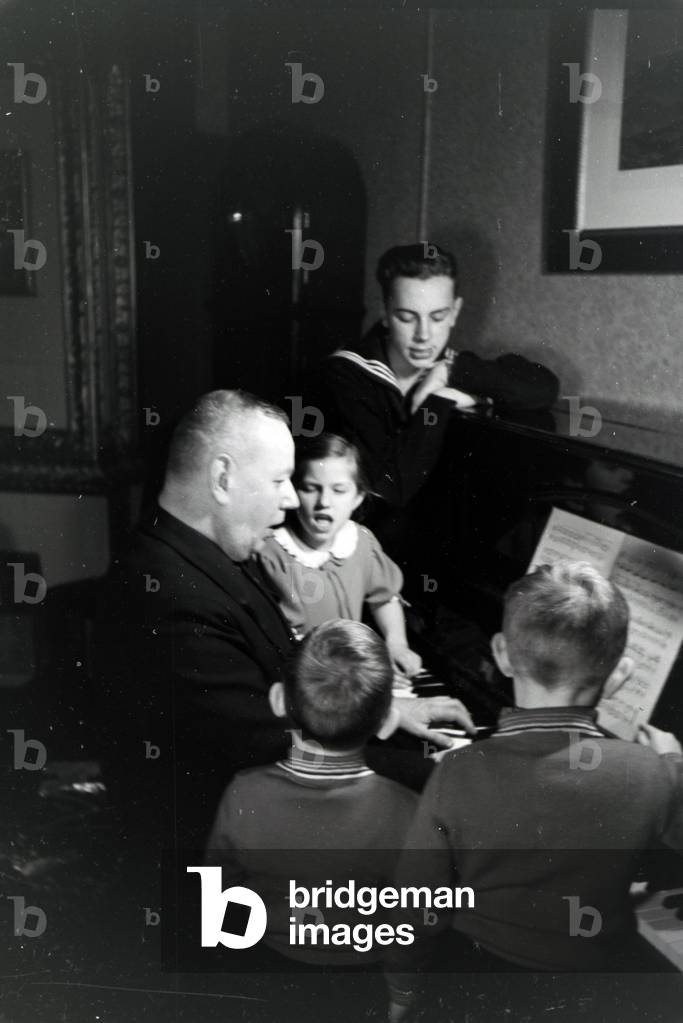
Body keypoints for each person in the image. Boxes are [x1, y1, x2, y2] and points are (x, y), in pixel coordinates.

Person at [97, 390, 474, 849]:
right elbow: (270, 752)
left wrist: (383, 713)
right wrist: (435, 774)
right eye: (279, 480)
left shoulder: (208, 552)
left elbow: (283, 679)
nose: (293, 500)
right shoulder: (167, 594)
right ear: (222, 478)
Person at [384, 562, 683, 1018]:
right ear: (620, 674)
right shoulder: (653, 774)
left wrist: (403, 993)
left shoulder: (459, 769)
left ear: (502, 653)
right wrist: (674, 762)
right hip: (588, 987)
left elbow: (415, 904)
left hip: (471, 978)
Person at [310, 243, 559, 560]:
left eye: (438, 317)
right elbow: (390, 488)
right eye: (406, 317)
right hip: (355, 559)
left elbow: (544, 388)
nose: (424, 335)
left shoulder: (449, 366)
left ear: (454, 312)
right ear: (385, 312)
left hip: (429, 557)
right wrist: (439, 400)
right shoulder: (345, 376)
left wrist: (450, 370)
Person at [206, 619, 419, 967]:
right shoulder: (405, 809)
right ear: (387, 723)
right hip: (364, 971)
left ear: (278, 700)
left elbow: (222, 891)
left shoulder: (243, 793)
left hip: (267, 962)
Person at [258, 432, 421, 678]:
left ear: (358, 498)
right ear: (293, 492)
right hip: (301, 678)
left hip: (350, 673)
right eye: (311, 489)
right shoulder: (271, 553)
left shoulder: (360, 542)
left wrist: (396, 643)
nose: (324, 501)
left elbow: (385, 597)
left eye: (339, 490)